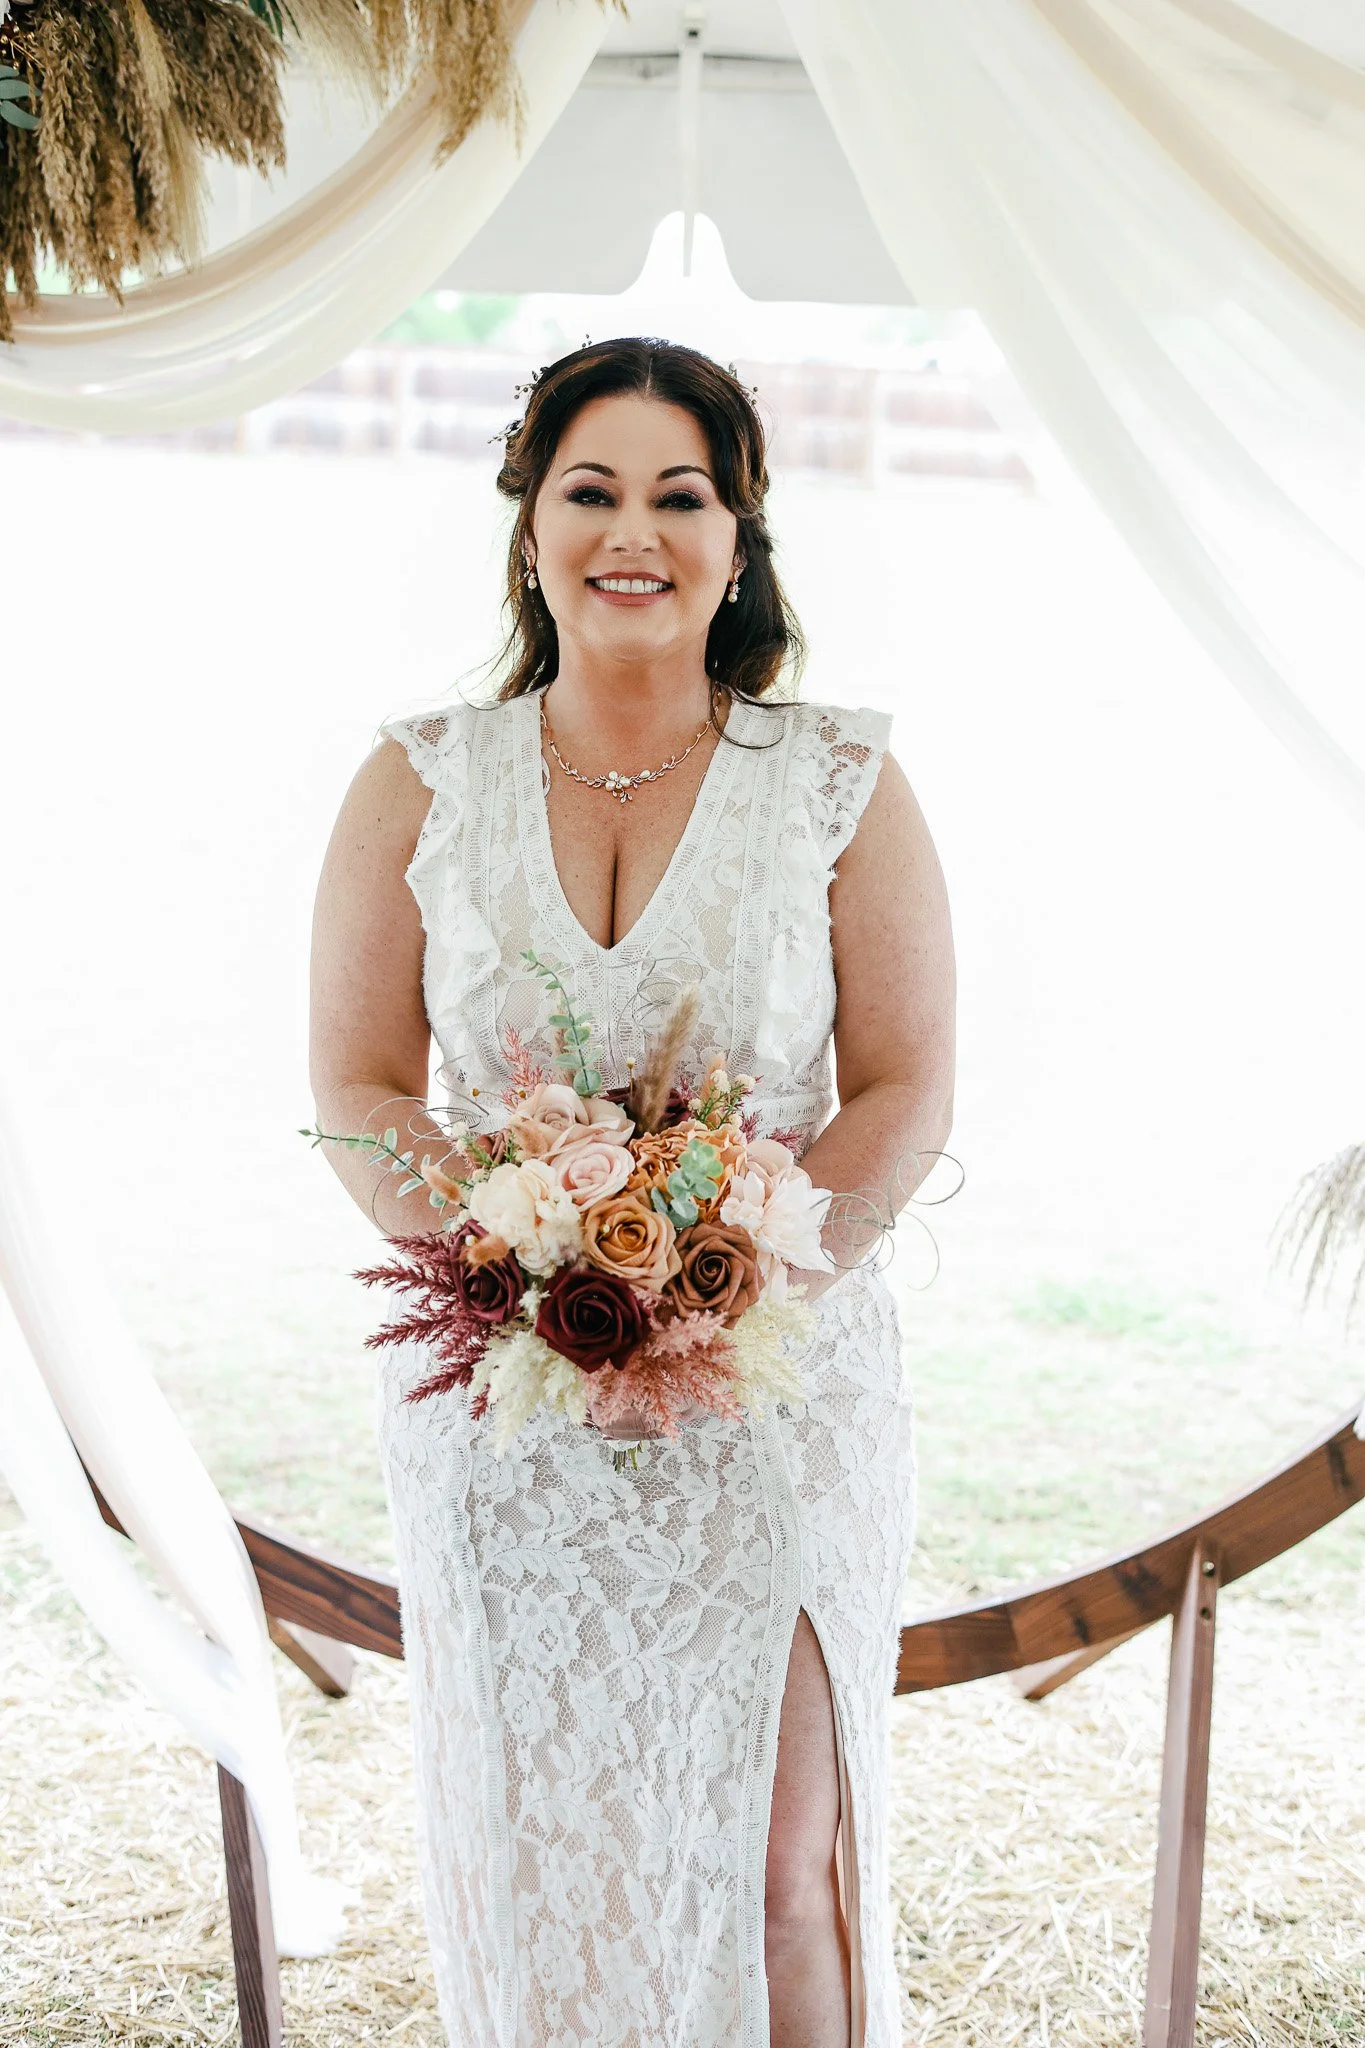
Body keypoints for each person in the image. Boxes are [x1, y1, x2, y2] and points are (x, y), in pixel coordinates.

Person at [309, 337, 956, 2048]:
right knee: (545, 1858)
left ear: (739, 541)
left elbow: (906, 1089)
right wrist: (516, 1271)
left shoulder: (839, 781)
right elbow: (357, 1090)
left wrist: (720, 1295)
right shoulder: (417, 779)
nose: (634, 532)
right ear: (530, 524)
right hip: (506, 1418)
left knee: (780, 1865)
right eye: (591, 490)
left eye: (684, 496)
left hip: (778, 1406)